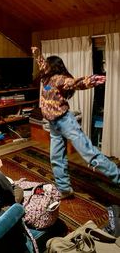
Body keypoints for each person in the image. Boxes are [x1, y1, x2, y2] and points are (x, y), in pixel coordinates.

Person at [32, 46, 120, 199]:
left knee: (89, 154)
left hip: (66, 122)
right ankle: (64, 189)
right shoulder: (45, 78)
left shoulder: (58, 78)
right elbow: (41, 63)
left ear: (53, 67)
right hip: (54, 125)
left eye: (47, 65)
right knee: (56, 157)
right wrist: (37, 53)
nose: (43, 66)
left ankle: (117, 177)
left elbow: (72, 83)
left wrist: (88, 81)